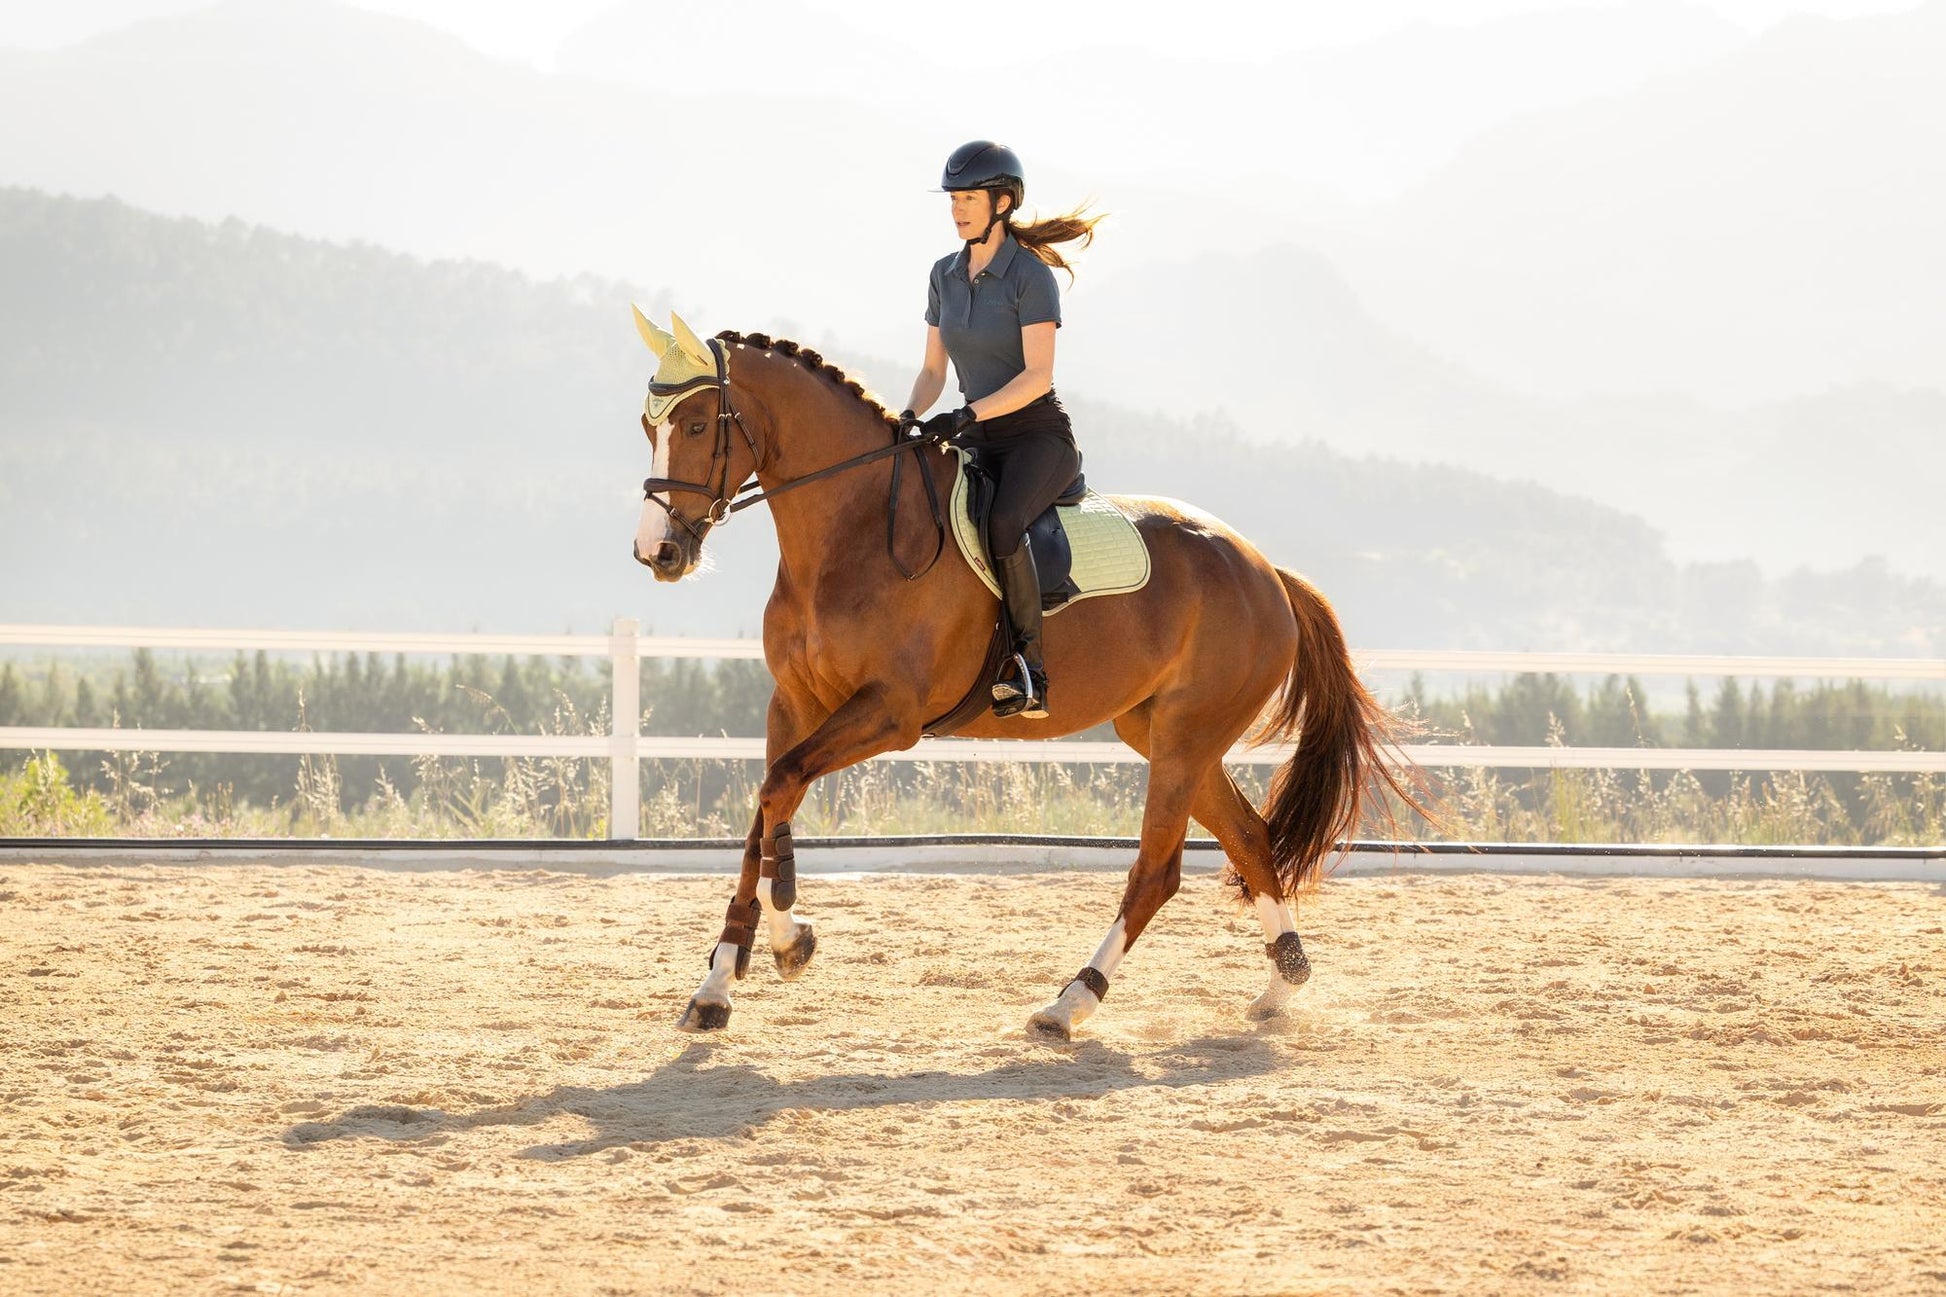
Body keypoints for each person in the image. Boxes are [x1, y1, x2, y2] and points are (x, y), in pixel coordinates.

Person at [902, 140, 1104, 720]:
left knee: (1004, 520)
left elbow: (1038, 376)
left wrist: (968, 414)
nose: (959, 209)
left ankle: (1029, 669)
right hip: (976, 435)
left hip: (1036, 437)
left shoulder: (1030, 276)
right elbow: (933, 371)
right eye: (954, 199)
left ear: (1003, 202)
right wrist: (908, 419)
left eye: (969, 198)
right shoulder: (943, 275)